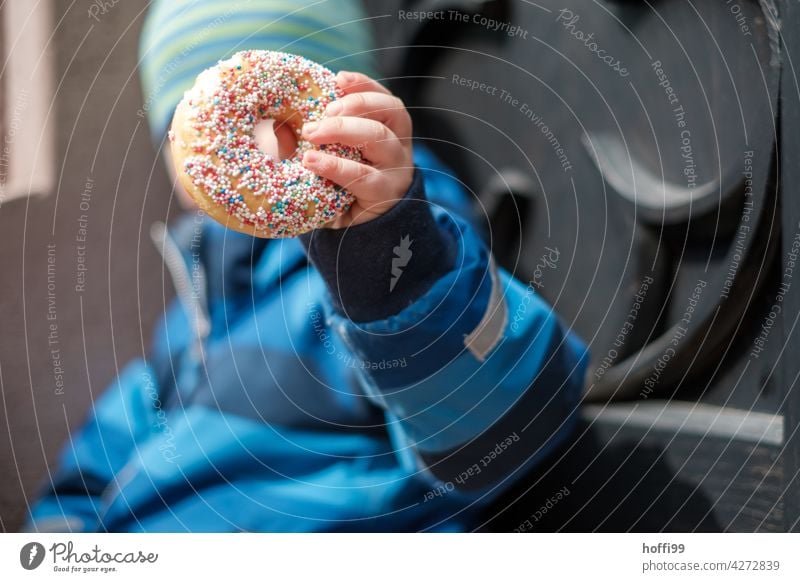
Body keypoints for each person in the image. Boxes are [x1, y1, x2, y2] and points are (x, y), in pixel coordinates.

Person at [25, 0, 588, 532]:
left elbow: (501, 427)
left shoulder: (397, 245)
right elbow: (93, 468)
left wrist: (383, 257)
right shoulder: (193, 313)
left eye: (259, 126)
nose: (228, 156)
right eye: (182, 132)